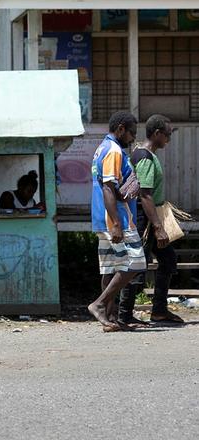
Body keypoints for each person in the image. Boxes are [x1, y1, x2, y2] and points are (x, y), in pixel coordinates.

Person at [118, 115, 182, 326]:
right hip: (145, 217)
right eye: (167, 135)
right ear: (156, 134)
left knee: (168, 260)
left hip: (152, 215)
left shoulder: (146, 154)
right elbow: (145, 195)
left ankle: (159, 311)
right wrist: (158, 227)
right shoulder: (144, 157)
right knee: (138, 263)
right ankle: (124, 314)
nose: (169, 139)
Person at [88, 111, 147, 332]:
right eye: (132, 133)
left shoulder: (101, 148)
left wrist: (130, 188)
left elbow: (112, 186)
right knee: (136, 263)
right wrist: (115, 222)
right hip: (117, 219)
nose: (133, 138)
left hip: (101, 217)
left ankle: (110, 319)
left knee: (110, 269)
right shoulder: (113, 151)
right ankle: (100, 304)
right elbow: (107, 188)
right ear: (121, 129)